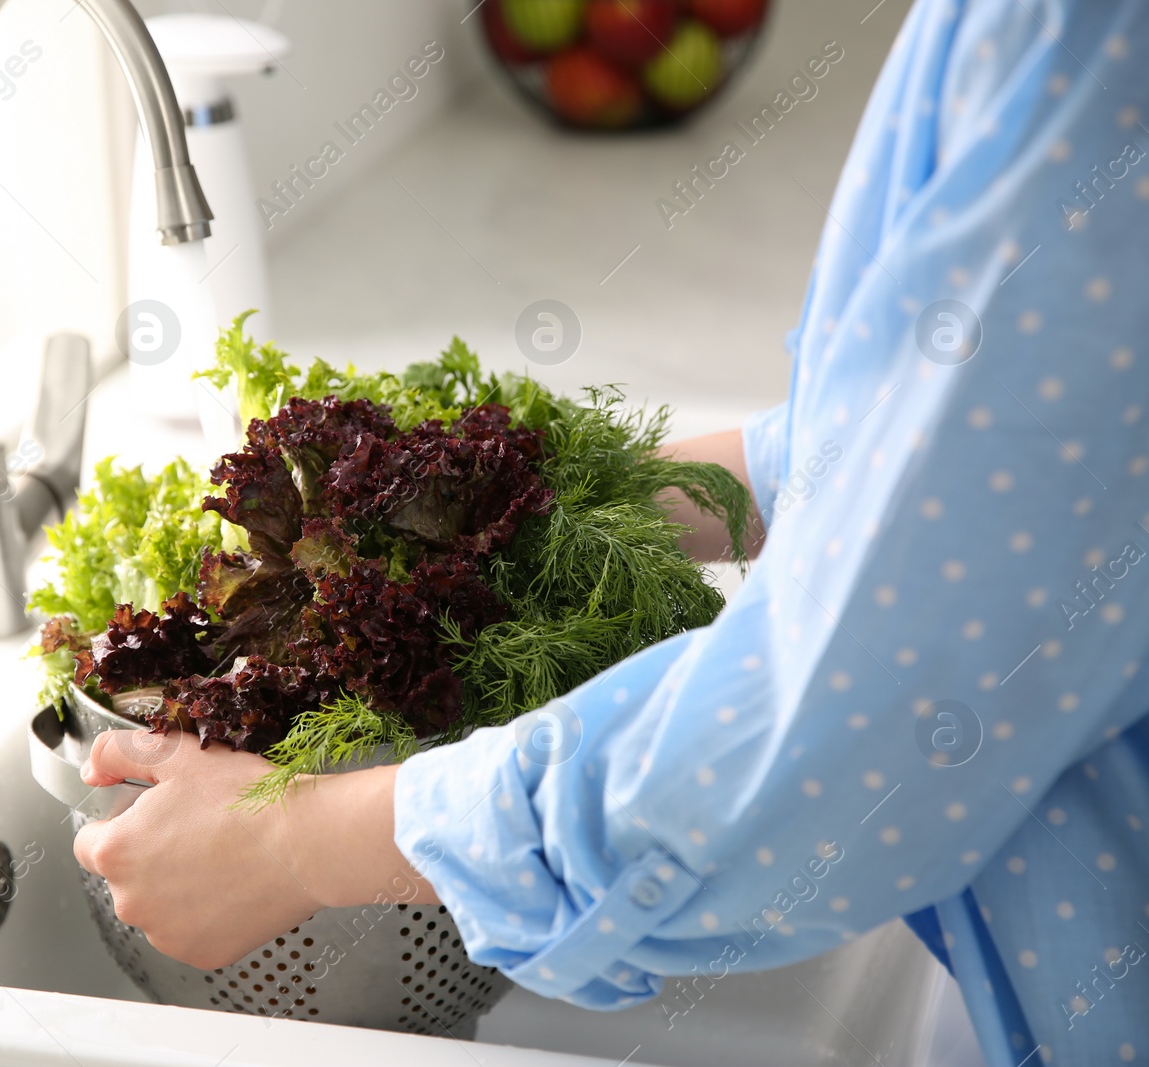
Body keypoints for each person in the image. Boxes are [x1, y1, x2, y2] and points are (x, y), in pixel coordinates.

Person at [73, 1, 1149, 1062]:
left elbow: (850, 731)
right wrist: (543, 504)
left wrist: (291, 840)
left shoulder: (1092, 45)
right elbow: (965, 457)